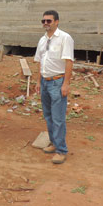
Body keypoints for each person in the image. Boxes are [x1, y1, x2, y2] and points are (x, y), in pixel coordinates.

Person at [34, 10, 74, 164]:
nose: (45, 23)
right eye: (43, 21)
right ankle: (53, 142)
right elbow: (41, 62)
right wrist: (38, 81)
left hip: (57, 82)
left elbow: (69, 62)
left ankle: (61, 150)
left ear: (56, 22)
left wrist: (66, 83)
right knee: (48, 116)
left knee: (58, 118)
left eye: (49, 21)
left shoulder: (65, 38)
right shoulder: (42, 40)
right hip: (45, 81)